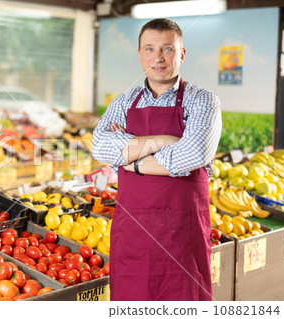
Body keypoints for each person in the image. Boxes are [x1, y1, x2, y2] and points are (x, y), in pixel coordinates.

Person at [92, 18, 222, 301]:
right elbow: (101, 148)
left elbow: (193, 154)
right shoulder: (124, 102)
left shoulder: (203, 101)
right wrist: (166, 141)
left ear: (182, 54)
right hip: (133, 232)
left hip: (182, 233)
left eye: (167, 49)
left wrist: (132, 160)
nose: (158, 57)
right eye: (149, 49)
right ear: (139, 54)